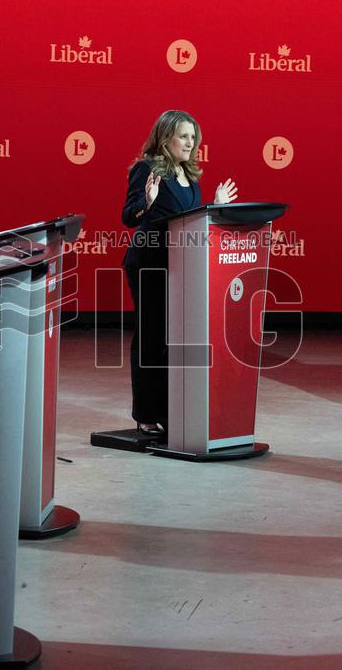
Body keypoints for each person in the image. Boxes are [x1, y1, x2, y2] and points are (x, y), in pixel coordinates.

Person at [121, 110, 238, 437]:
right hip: (149, 262)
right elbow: (129, 217)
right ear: (165, 137)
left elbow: (189, 221)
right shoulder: (147, 169)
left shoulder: (191, 177)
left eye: (193, 137)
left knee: (174, 340)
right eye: (184, 136)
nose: (190, 143)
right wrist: (147, 201)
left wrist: (213, 207)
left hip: (181, 266)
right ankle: (146, 413)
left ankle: (170, 409)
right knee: (152, 336)